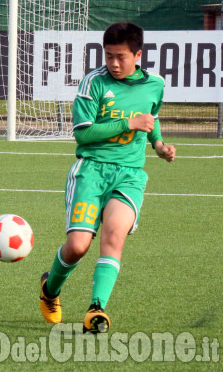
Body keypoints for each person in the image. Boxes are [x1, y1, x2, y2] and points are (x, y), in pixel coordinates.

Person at [38, 21, 176, 333]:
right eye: (108, 56)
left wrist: (159, 145)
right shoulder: (94, 83)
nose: (113, 63)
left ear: (137, 55)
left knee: (113, 238)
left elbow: (150, 118)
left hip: (129, 176)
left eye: (121, 57)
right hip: (91, 172)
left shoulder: (155, 84)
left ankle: (96, 308)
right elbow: (83, 135)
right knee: (77, 246)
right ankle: (50, 289)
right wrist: (129, 123)